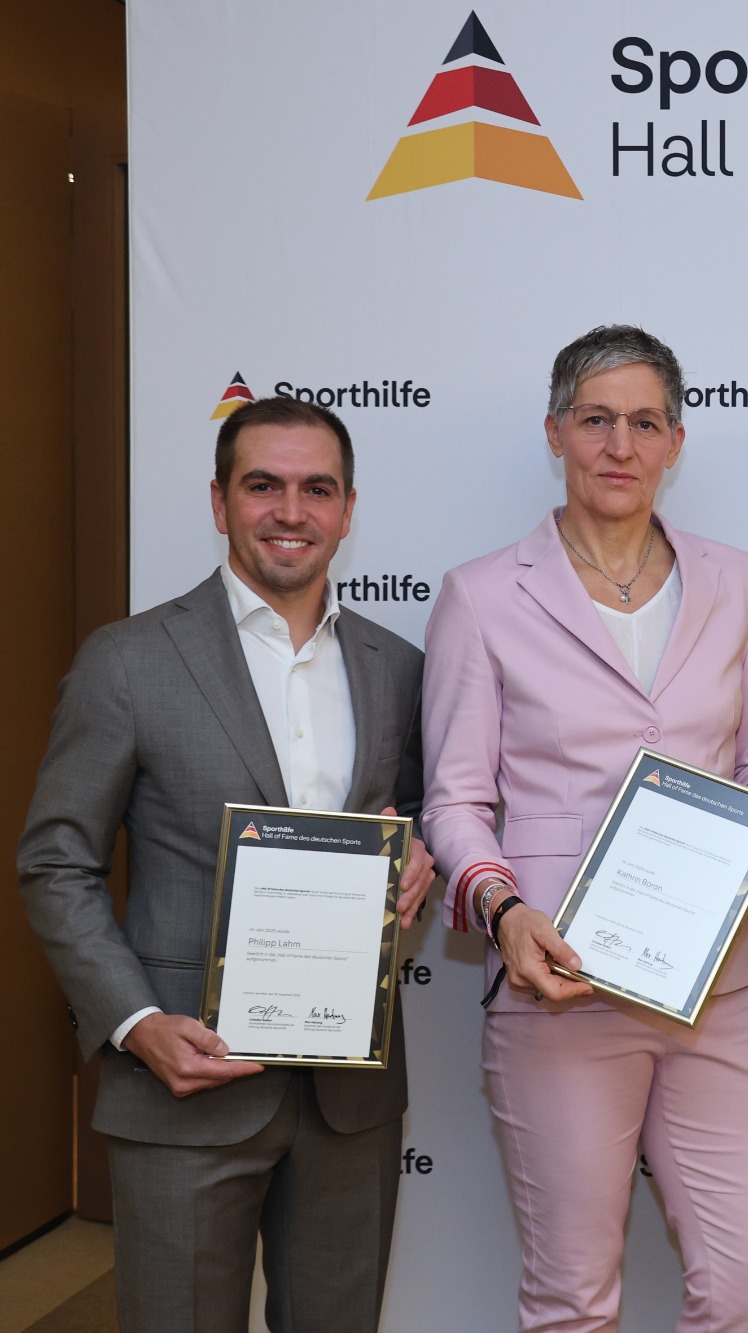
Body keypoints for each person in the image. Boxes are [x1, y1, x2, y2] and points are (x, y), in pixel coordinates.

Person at [17, 396, 434, 1332]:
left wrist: (420, 854)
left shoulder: (396, 666)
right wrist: (134, 1023)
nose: (291, 511)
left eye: (317, 488)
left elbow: (411, 818)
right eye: (263, 485)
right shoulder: (127, 661)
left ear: (348, 509)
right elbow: (56, 861)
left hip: (351, 1098)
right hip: (183, 1080)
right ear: (219, 501)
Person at [421, 324, 748, 1333]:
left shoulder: (732, 578)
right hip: (561, 978)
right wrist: (502, 911)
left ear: (675, 441)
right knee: (574, 1295)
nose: (619, 445)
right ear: (556, 432)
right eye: (596, 420)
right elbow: (453, 800)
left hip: (716, 980)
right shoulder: (481, 594)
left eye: (643, 422)